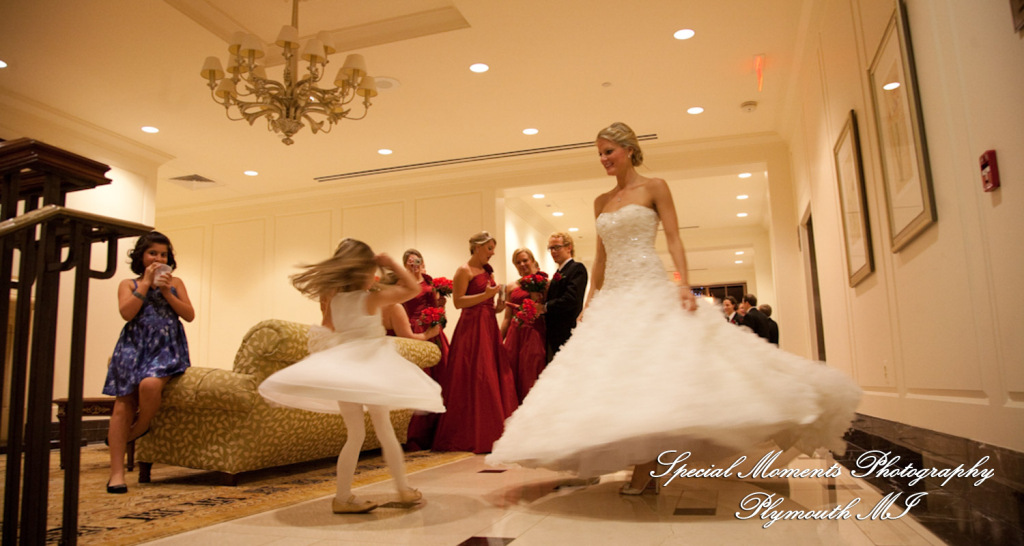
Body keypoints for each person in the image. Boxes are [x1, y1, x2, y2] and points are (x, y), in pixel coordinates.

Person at [487, 122, 861, 495]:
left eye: (608, 151)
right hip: (614, 294)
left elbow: (673, 239)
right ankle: (617, 463)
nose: (603, 159)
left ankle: (645, 467)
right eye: (599, 153)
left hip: (648, 284)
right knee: (611, 378)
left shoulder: (655, 187)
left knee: (651, 373)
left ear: (629, 149)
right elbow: (600, 258)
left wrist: (683, 283)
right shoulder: (601, 201)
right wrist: (589, 302)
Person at [258, 239, 444, 513]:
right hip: (371, 369)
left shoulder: (336, 300)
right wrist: (391, 263)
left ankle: (342, 497)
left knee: (355, 434)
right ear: (364, 272)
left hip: (344, 370)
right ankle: (403, 489)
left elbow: (328, 328)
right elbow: (413, 289)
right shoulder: (371, 298)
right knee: (384, 431)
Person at [103, 231, 195, 494]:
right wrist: (145, 284)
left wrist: (167, 291)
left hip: (166, 348)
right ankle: (116, 474)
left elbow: (189, 315)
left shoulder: (176, 282)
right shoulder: (128, 284)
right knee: (122, 405)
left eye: (163, 254)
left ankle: (140, 428)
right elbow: (127, 313)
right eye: (152, 253)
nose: (158, 258)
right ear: (141, 256)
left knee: (150, 385)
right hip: (133, 347)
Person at [432, 232, 517, 453]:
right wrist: (485, 296)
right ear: (477, 247)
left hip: (488, 325)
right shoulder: (464, 270)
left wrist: (497, 306)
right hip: (471, 328)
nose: (493, 253)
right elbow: (459, 302)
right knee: (477, 375)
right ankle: (475, 433)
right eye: (489, 248)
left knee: (492, 373)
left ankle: (495, 430)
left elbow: (487, 304)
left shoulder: (488, 271)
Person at [397, 249, 451, 451]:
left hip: (433, 329)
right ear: (405, 265)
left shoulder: (429, 282)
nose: (414, 264)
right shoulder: (401, 284)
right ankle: (417, 435)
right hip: (413, 329)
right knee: (420, 378)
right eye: (410, 262)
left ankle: (440, 431)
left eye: (417, 261)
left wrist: (440, 308)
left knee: (441, 378)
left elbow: (437, 307)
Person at [500, 248, 548, 403]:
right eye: (518, 262)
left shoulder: (544, 284)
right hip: (514, 334)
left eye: (525, 260)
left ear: (532, 261)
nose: (522, 264)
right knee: (511, 372)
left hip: (534, 333)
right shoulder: (510, 286)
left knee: (531, 372)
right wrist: (499, 341)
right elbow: (507, 318)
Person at [541, 232, 588, 363]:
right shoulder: (559, 271)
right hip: (555, 332)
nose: (553, 251)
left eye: (557, 247)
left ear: (569, 247)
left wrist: (545, 307)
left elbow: (570, 299)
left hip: (567, 330)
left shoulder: (576, 268)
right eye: (551, 248)